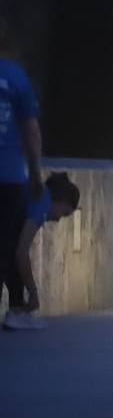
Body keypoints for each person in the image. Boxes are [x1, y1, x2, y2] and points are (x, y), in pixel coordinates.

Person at [0, 35, 44, 323]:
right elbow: (31, 132)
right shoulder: (16, 77)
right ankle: (15, 308)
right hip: (8, 174)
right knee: (6, 241)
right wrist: (36, 174)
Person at [2, 172, 80, 330]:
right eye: (64, 213)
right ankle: (17, 312)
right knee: (11, 251)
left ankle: (17, 310)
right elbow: (21, 253)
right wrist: (33, 291)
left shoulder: (38, 197)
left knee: (10, 248)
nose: (58, 220)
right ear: (60, 200)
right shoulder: (42, 204)